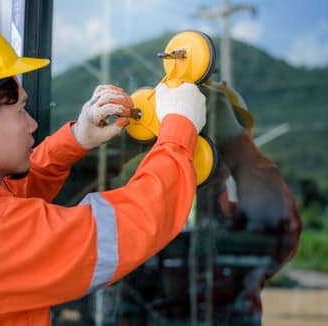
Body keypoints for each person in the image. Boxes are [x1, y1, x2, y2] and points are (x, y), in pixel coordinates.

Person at [0, 12, 207, 325]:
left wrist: (77, 138)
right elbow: (132, 224)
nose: (33, 123)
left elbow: (5, 200)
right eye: (22, 110)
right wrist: (179, 126)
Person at [112, 86, 301, 326]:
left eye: (217, 141)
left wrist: (233, 142)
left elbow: (277, 229)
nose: (204, 152)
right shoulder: (138, 213)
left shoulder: (242, 219)